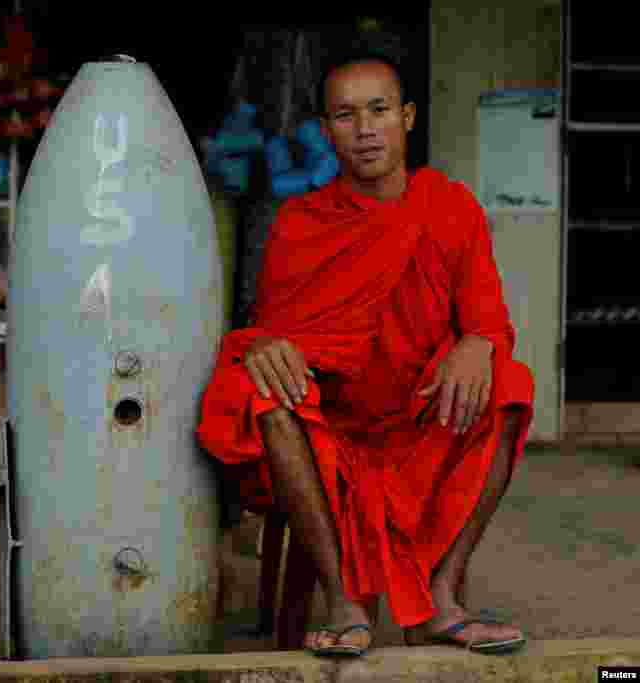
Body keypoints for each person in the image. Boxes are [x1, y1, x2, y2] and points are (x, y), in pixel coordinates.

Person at [196, 49, 534, 657]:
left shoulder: (450, 208)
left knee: (508, 383)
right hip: (333, 431)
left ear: (406, 117)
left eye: (379, 109)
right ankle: (343, 602)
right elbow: (276, 335)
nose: (366, 128)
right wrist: (266, 345)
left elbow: (491, 320)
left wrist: (477, 343)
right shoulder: (301, 221)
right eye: (346, 115)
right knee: (261, 391)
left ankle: (441, 597)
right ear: (327, 132)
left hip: (422, 419)